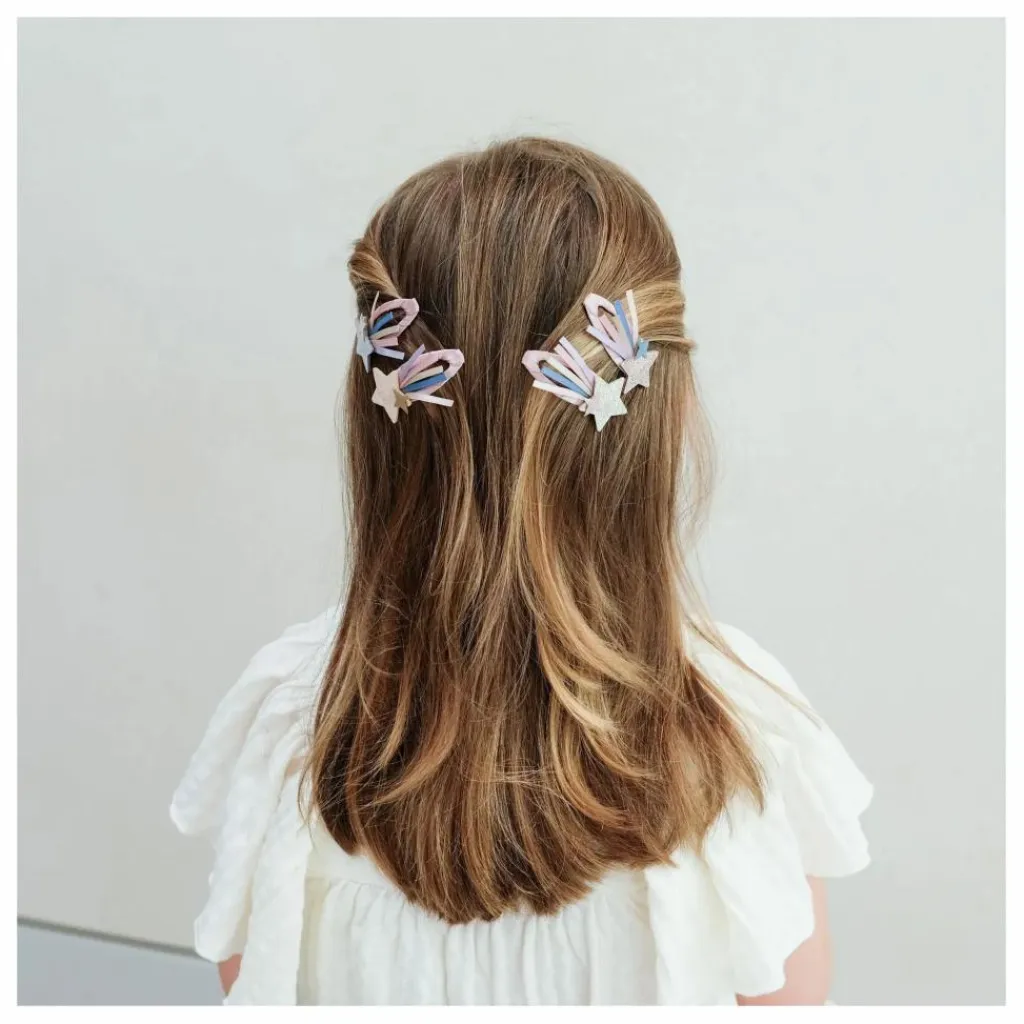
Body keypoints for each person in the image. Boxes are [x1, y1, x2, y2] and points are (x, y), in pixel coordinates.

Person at [171, 136, 872, 1005]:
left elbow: (251, 982)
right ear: (672, 409)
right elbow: (789, 999)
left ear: (372, 413)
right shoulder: (736, 728)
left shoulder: (294, 726)